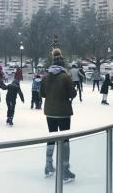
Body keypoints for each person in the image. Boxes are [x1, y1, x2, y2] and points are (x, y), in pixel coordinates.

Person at [40, 48, 76, 182]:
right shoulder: (65, 77)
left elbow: (42, 94)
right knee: (65, 140)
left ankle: (48, 165)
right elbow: (72, 94)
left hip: (50, 112)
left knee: (51, 137)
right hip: (63, 112)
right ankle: (65, 169)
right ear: (62, 64)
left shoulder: (46, 77)